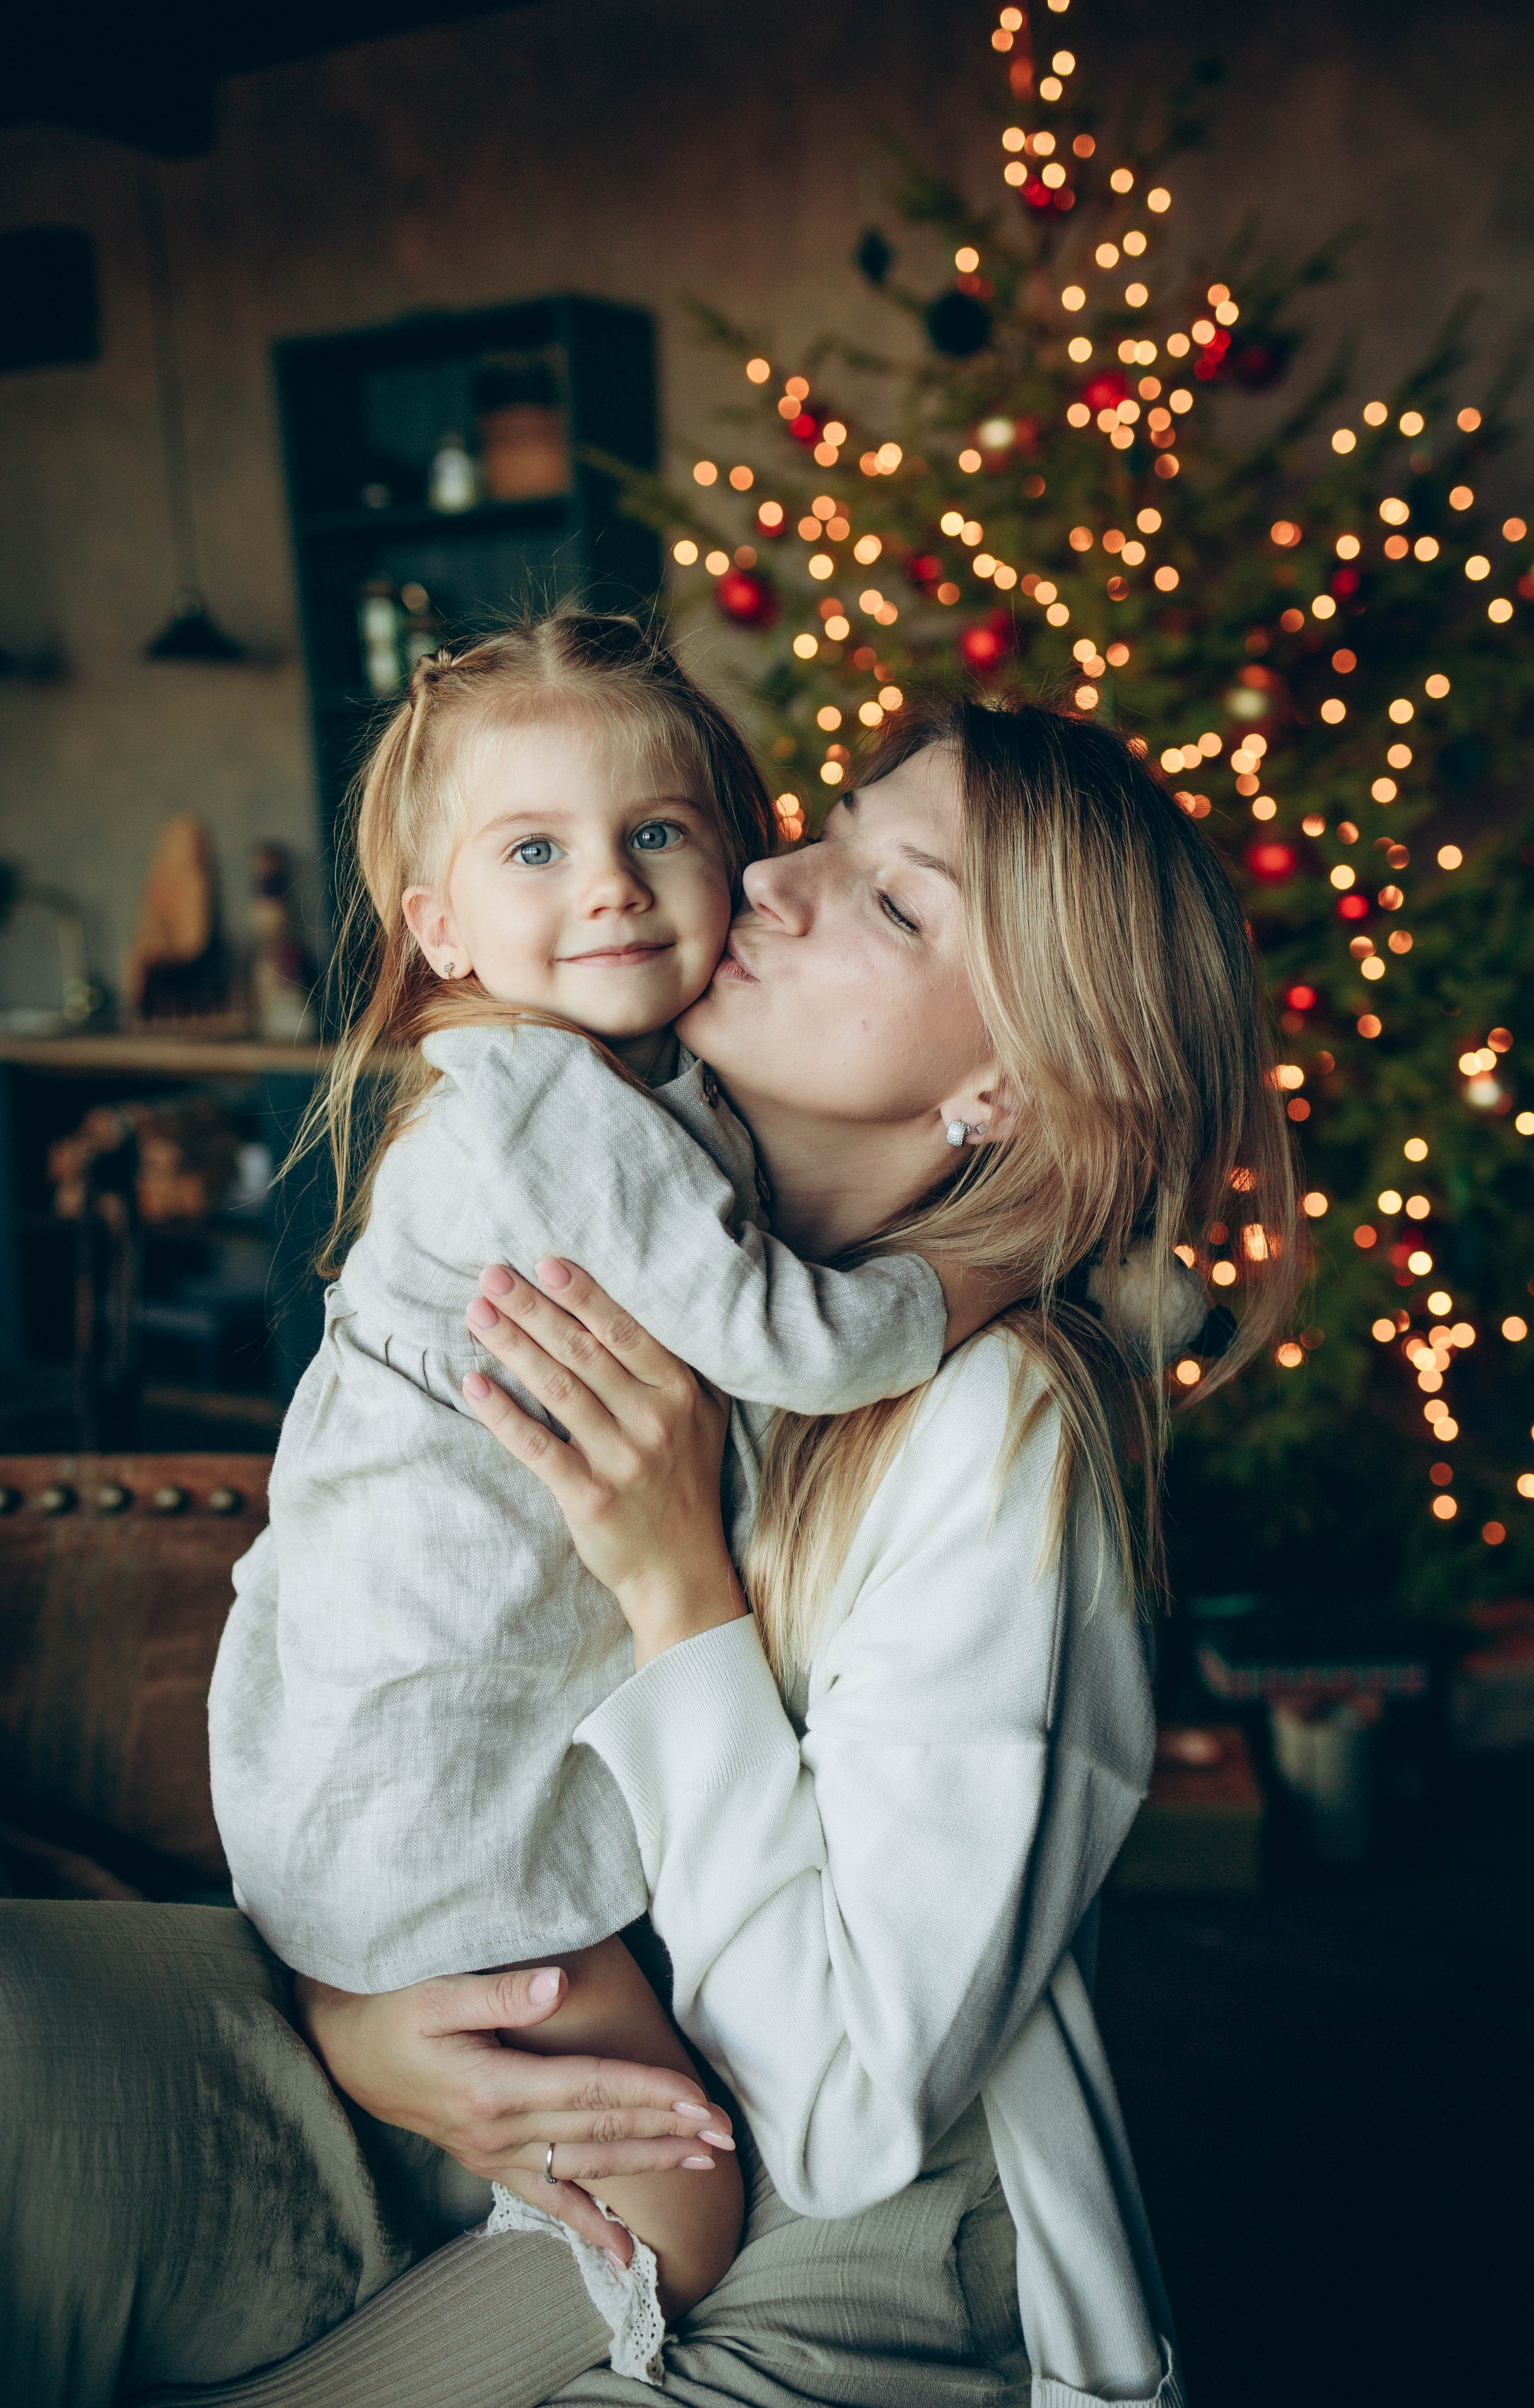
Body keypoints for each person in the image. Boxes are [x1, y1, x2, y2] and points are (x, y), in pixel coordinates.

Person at [0, 700, 1296, 2408]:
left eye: (897, 904)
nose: (774, 879)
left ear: (1013, 1079)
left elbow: (837, 2113)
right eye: (827, 828)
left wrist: (675, 1578)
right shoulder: (643, 1213)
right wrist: (363, 2024)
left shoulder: (1003, 1437)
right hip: (491, 2028)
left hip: (826, 2236)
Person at [208, 613, 965, 2353]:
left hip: (430, 1733)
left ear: (731, 853)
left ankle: (407, 2215)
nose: (610, 884)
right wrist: (998, 1278)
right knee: (683, 2197)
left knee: (638, 2148)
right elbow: (792, 1332)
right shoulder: (529, 1095)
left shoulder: (652, 1088)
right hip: (420, 1757)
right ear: (441, 928)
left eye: (657, 831)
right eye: (535, 849)